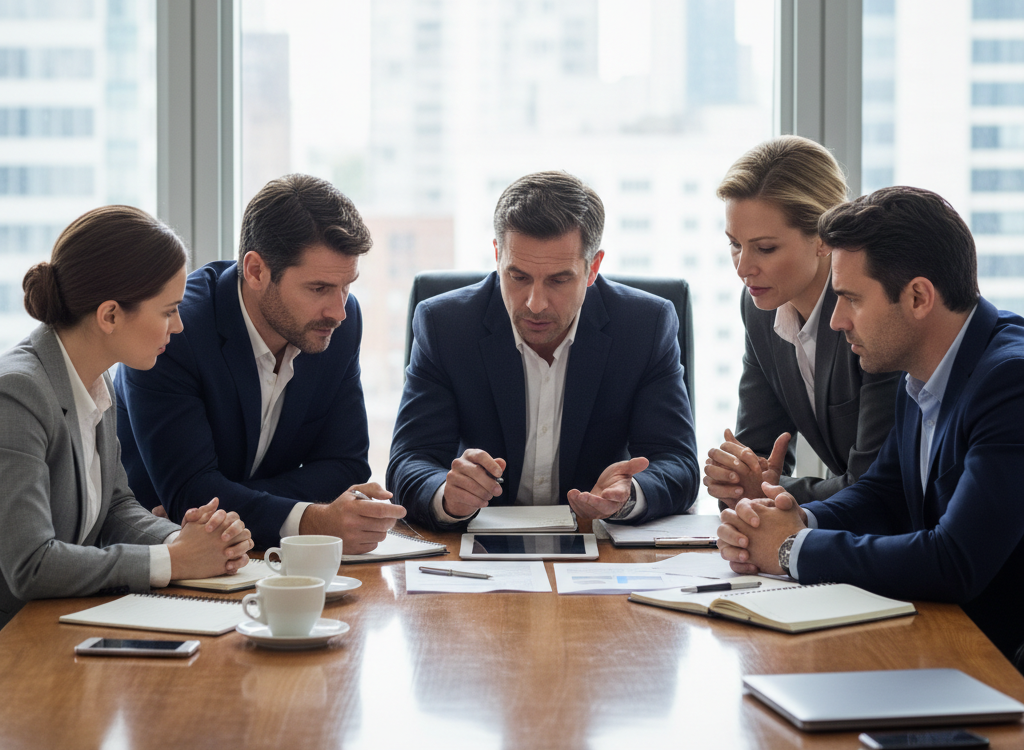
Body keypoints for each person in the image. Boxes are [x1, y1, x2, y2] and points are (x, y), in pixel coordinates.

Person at [716, 186, 1024, 662]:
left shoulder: (1010, 382)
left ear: (919, 297)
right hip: (945, 639)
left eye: (851, 299)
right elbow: (884, 493)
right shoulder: (919, 368)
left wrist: (791, 548)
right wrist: (795, 519)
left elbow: (956, 560)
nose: (836, 321)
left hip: (997, 658)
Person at [386, 170, 699, 527]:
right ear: (497, 256)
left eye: (559, 280)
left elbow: (678, 462)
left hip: (598, 542)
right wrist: (447, 494)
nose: (535, 303)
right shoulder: (445, 325)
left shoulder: (645, 325)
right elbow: (408, 462)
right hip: (482, 546)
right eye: (518, 277)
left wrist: (628, 496)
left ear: (592, 267)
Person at [115, 175, 406, 550]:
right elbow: (189, 491)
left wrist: (227, 496)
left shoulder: (337, 324)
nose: (339, 310)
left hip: (262, 557)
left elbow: (346, 466)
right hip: (160, 560)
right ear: (255, 271)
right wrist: (311, 517)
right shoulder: (174, 332)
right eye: (318, 288)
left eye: (347, 285)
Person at [0, 206, 252, 629]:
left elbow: (116, 507)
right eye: (169, 311)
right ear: (111, 315)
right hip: (17, 649)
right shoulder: (18, 394)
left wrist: (183, 540)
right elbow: (32, 564)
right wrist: (171, 560)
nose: (179, 327)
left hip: (61, 629)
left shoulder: (98, 382)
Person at [704, 137, 900, 506]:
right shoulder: (760, 310)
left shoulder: (874, 311)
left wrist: (765, 491)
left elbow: (875, 486)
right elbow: (755, 455)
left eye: (765, 248)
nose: (743, 268)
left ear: (824, 239)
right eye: (734, 244)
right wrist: (734, 477)